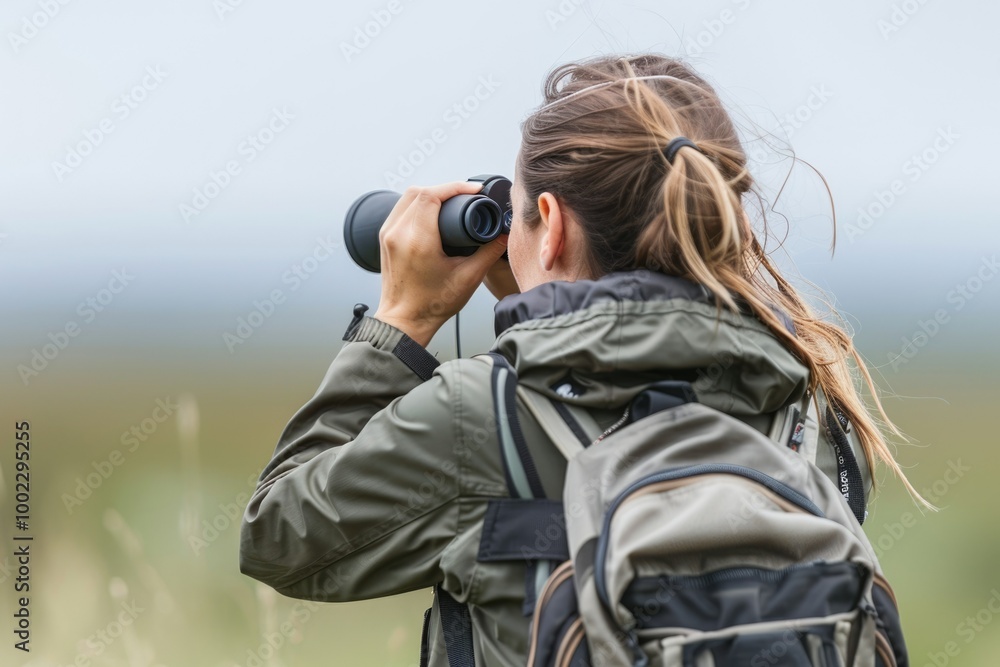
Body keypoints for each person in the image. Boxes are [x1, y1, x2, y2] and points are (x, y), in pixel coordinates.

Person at [239, 53, 921, 666]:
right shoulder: (810, 406)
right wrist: (546, 311)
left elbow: (281, 534)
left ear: (551, 223)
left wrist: (404, 319)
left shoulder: (485, 417)